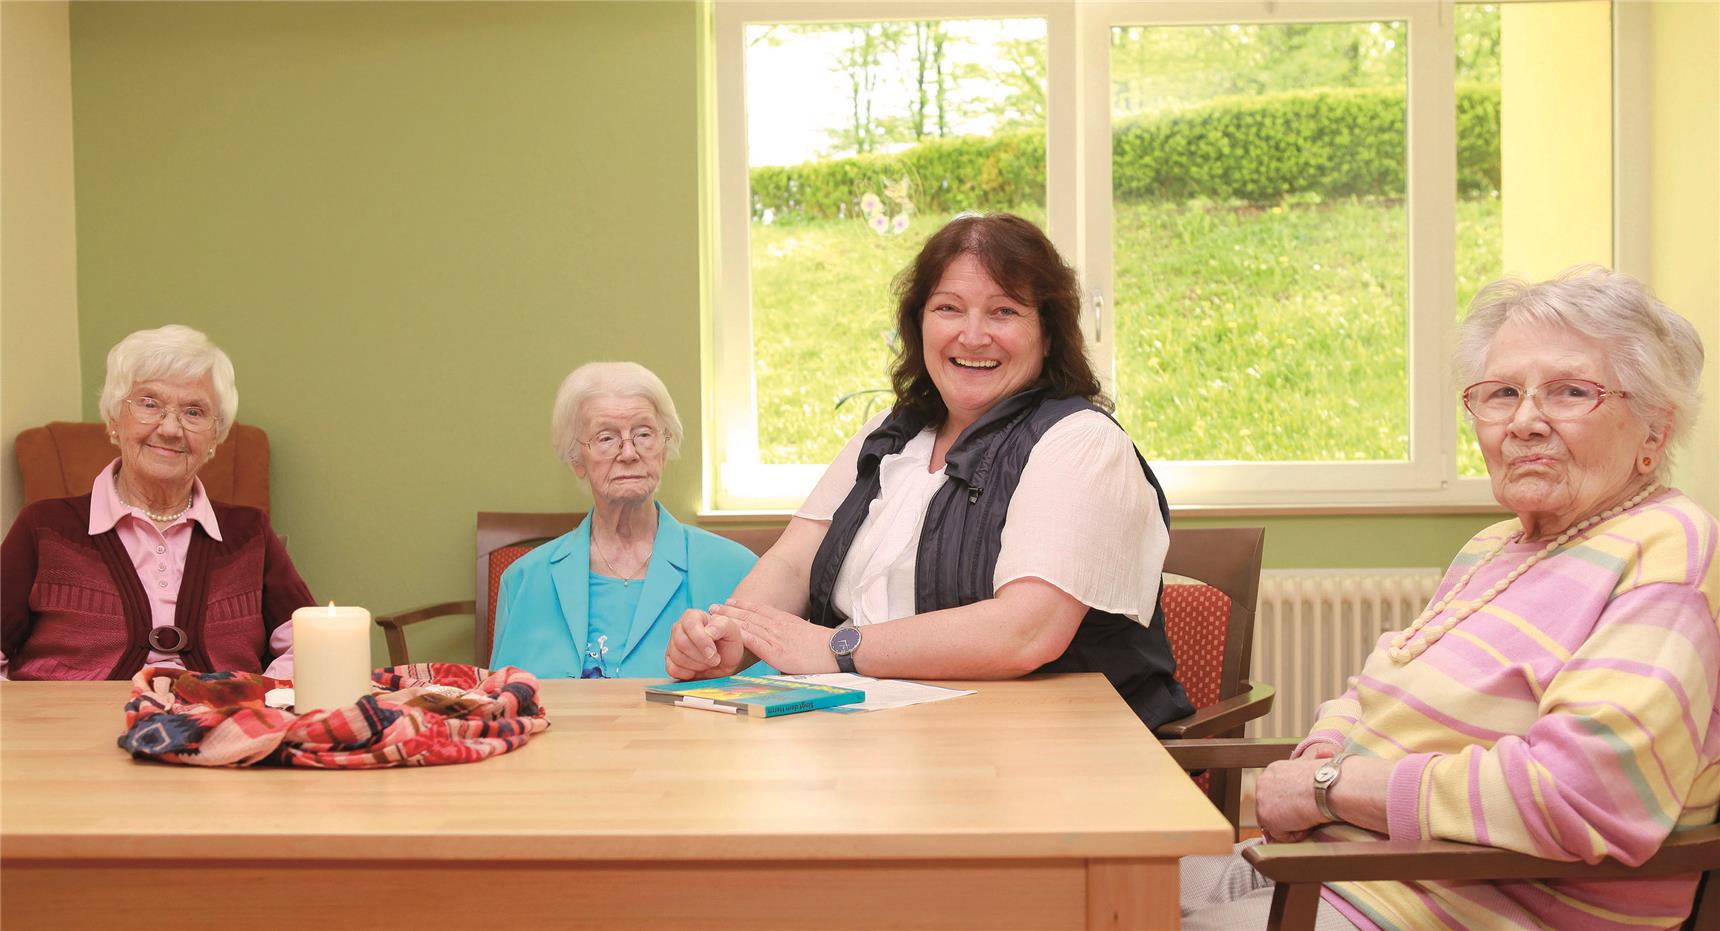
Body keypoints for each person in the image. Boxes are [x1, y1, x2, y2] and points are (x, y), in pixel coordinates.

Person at [1183, 266, 1719, 931]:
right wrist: (1323, 754)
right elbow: (1376, 693)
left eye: (1571, 391)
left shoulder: (1668, 548)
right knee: (1090, 882)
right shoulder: (1495, 544)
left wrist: (1328, 788)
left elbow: (1586, 792)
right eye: (1503, 393)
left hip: (1448, 905)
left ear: (1654, 432)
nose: (1524, 422)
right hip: (1339, 863)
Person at [666, 213, 1194, 728]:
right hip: (878, 738)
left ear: (1048, 333)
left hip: (1042, 747)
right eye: (948, 308)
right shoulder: (890, 432)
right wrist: (730, 636)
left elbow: (1026, 631)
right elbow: (792, 563)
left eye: (1004, 311)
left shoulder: (1080, 441)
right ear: (919, 325)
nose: (973, 335)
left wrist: (836, 648)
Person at [2, 325, 313, 680]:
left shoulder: (249, 533)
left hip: (214, 714)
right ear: (114, 420)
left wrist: (256, 700)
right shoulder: (44, 527)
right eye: (149, 404)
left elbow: (311, 645)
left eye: (194, 412)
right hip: (76, 715)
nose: (170, 429)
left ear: (215, 437)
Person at [489, 362, 761, 678]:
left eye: (644, 434)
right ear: (577, 459)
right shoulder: (524, 581)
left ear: (664, 448)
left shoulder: (737, 571)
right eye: (606, 438)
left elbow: (768, 694)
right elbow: (502, 698)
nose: (629, 453)